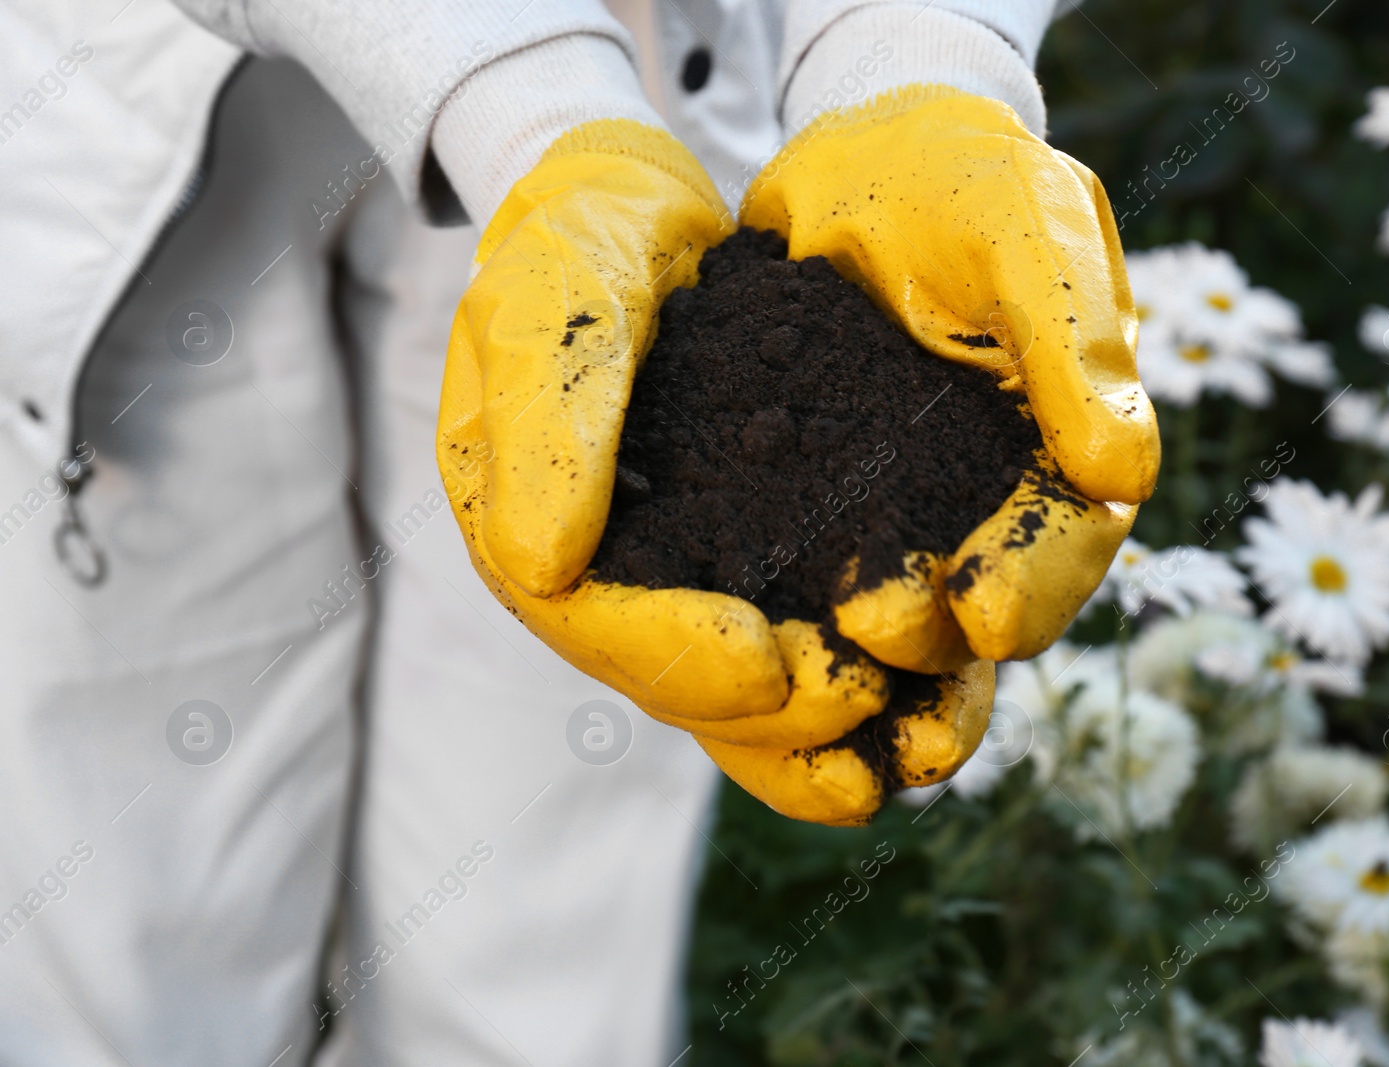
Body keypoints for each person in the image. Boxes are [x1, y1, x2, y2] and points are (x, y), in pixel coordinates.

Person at [0, 0, 1153, 1062]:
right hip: (155, 131)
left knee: (535, 924)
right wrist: (533, 109)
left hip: (661, 96)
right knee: (138, 917)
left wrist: (914, 55)